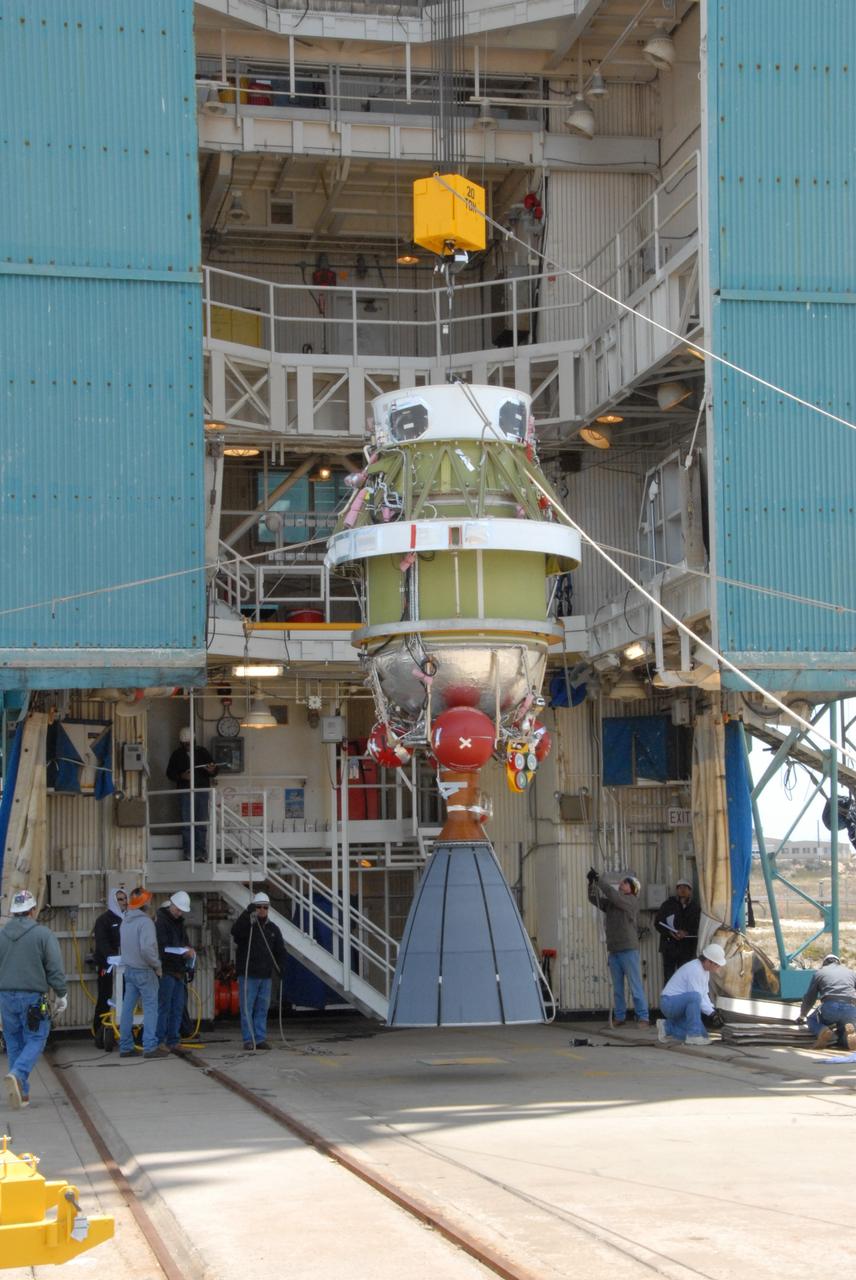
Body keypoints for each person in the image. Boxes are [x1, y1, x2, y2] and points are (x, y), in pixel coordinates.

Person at [0, 889, 68, 1109]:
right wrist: (61, 993)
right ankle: (18, 1074)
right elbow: (54, 968)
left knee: (14, 1042)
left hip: (5, 997)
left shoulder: (1, 934)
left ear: (13, 911)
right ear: (32, 910)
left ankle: (22, 1094)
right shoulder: (43, 935)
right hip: (32, 997)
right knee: (37, 1037)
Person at [587, 868, 649, 1027]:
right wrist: (591, 884)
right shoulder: (614, 902)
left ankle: (643, 1017)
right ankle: (620, 1017)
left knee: (635, 986)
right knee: (618, 988)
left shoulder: (631, 901)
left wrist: (599, 880)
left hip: (628, 949)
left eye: (626, 883)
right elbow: (594, 899)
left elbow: (612, 895)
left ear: (633, 889)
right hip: (614, 950)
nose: (622, 884)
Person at [231, 892, 286, 1050]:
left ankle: (260, 1038)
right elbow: (235, 932)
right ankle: (248, 1039)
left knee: (262, 1008)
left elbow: (280, 950)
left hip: (265, 976)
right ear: (254, 908)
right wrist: (246, 914)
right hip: (248, 975)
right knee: (247, 1009)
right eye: (259, 907)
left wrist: (282, 967)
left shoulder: (273, 929)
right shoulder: (247, 927)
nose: (262, 910)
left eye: (265, 907)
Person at [119, 887, 166, 1059]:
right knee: (151, 1009)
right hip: (145, 971)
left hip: (129, 970)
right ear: (145, 904)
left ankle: (125, 1046)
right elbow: (147, 949)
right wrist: (157, 965)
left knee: (127, 1009)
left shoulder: (125, 921)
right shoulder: (146, 923)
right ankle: (150, 1047)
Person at [657, 943, 727, 1045]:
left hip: (680, 1005)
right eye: (717, 964)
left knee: (704, 1036)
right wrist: (711, 1014)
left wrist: (713, 1010)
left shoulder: (705, 971)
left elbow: (704, 994)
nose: (718, 967)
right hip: (669, 1004)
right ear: (708, 961)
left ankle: (667, 1028)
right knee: (694, 997)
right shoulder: (695, 970)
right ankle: (693, 1035)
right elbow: (697, 997)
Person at [166, 727, 218, 861]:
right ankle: (189, 852)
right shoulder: (177, 754)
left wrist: (211, 770)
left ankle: (200, 852)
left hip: (201, 790)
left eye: (190, 743)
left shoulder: (202, 752)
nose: (188, 746)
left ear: (194, 741)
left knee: (201, 822)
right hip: (185, 791)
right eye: (185, 744)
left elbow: (214, 769)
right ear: (181, 743)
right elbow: (169, 773)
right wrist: (181, 776)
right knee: (187, 822)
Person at [155, 891, 195, 1051]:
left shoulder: (179, 923)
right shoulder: (161, 923)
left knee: (177, 1007)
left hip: (179, 970)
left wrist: (188, 951)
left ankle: (173, 1040)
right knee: (164, 1007)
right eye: (178, 910)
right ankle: (160, 1040)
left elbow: (184, 941)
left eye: (181, 911)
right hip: (167, 970)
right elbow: (162, 947)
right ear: (171, 905)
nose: (179, 913)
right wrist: (182, 951)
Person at [92, 886, 127, 1046]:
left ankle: (124, 1030)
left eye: (125, 899)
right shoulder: (103, 920)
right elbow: (102, 943)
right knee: (105, 997)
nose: (124, 902)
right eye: (120, 899)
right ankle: (99, 1031)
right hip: (108, 967)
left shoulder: (128, 918)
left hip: (125, 966)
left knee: (125, 997)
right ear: (113, 901)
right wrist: (113, 957)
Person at [798, 953, 856, 1050]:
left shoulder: (820, 973)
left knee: (811, 1020)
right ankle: (847, 1038)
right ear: (838, 962)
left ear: (824, 963)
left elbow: (810, 998)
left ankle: (823, 1030)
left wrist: (802, 1015)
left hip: (830, 1006)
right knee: (842, 1031)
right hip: (850, 1008)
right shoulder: (851, 973)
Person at [654, 879, 700, 983]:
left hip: (687, 948)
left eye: (685, 888)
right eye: (680, 887)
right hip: (669, 947)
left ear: (690, 891)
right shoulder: (668, 905)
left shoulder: (695, 907)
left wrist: (687, 932)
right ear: (676, 890)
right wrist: (669, 932)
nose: (682, 890)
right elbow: (658, 923)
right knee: (669, 977)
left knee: (685, 977)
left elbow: (699, 926)